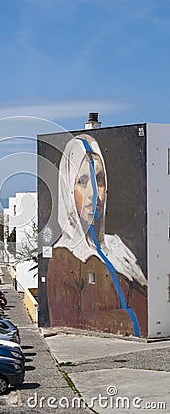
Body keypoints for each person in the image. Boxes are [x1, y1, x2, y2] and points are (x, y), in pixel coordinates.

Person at [47, 134, 148, 337]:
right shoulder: (63, 258)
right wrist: (126, 318)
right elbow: (68, 322)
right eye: (82, 182)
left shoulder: (117, 248)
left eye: (98, 180)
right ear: (67, 189)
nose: (94, 193)